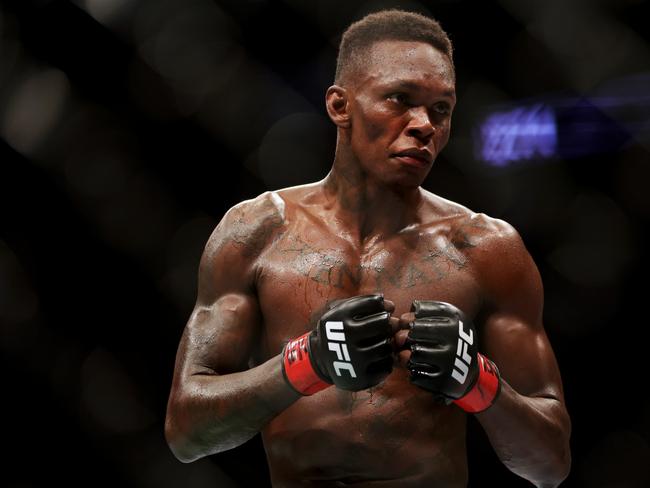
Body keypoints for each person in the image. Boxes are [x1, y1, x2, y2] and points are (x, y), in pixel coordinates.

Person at [165, 9, 571, 488]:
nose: (424, 125)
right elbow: (187, 434)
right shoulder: (256, 232)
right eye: (401, 99)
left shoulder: (486, 249)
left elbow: (550, 465)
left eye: (442, 109)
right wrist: (307, 363)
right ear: (341, 106)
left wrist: (477, 383)